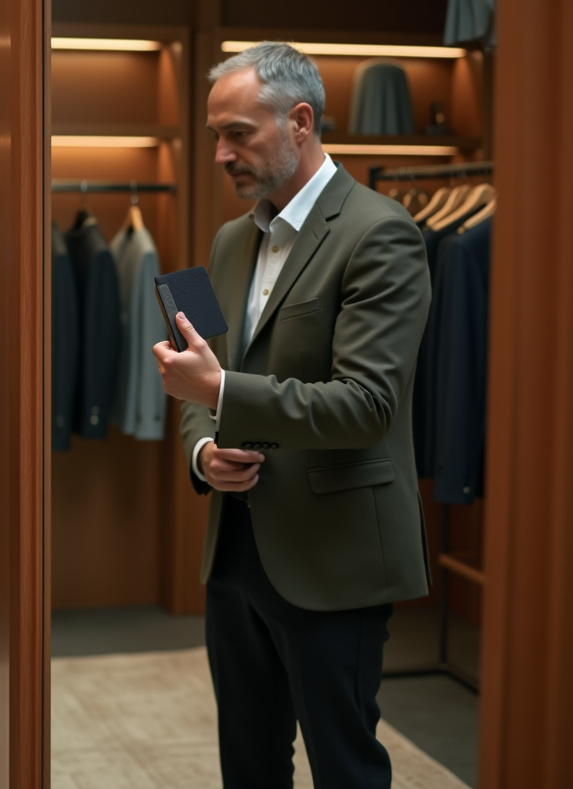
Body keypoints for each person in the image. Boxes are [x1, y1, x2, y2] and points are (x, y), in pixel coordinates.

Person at [153, 42, 431, 788]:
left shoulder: (381, 233)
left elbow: (367, 405)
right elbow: (199, 376)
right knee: (248, 765)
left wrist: (219, 397)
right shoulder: (229, 239)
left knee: (344, 767)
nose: (220, 153)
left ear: (301, 121)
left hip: (333, 558)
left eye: (238, 133)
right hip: (236, 552)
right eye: (216, 135)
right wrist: (203, 451)